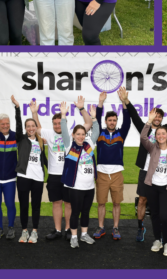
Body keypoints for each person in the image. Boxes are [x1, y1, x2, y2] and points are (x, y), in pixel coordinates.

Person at [122, 86, 167, 241]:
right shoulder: (145, 128)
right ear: (151, 116)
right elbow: (134, 115)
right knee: (143, 200)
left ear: (162, 119)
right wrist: (126, 101)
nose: (157, 118)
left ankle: (163, 231)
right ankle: (140, 228)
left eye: (159, 116)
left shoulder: (165, 131)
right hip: (146, 171)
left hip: (162, 175)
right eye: (154, 115)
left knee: (163, 206)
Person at [31, 96, 93, 241]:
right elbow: (37, 127)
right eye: (55, 124)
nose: (57, 126)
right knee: (56, 202)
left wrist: (81, 108)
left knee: (68, 203)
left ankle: (68, 230)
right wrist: (35, 112)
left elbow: (89, 123)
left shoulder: (72, 134)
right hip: (53, 175)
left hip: (69, 175)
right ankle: (58, 230)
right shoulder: (48, 133)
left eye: (59, 123)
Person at [91, 89, 132, 240]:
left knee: (116, 203)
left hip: (116, 174)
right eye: (109, 120)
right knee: (101, 203)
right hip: (101, 174)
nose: (112, 122)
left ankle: (115, 228)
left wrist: (124, 102)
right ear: (106, 121)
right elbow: (98, 116)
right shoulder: (99, 133)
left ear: (116, 121)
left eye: (114, 120)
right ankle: (101, 227)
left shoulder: (121, 134)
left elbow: (127, 120)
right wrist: (100, 103)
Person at [60, 101, 100, 248]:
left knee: (86, 212)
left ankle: (84, 235)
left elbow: (96, 130)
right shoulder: (69, 145)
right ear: (73, 135)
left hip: (89, 187)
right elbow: (64, 129)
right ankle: (74, 237)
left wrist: (94, 118)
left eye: (83, 134)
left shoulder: (89, 144)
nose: (81, 137)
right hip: (75, 187)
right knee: (75, 212)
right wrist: (63, 115)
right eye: (78, 134)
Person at [140, 111, 167, 256]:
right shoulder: (152, 148)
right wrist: (149, 122)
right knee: (155, 215)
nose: (161, 136)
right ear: (156, 137)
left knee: (165, 216)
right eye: (158, 134)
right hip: (152, 186)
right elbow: (143, 137)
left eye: (163, 134)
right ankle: (157, 240)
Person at [13, 97, 47, 243]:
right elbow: (18, 125)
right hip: (23, 176)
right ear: (26, 128)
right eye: (28, 126)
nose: (31, 128)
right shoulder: (21, 139)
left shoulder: (41, 141)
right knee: (24, 205)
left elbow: (43, 159)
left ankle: (34, 232)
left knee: (36, 206)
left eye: (33, 126)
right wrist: (17, 108)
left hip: (38, 178)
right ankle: (24, 231)